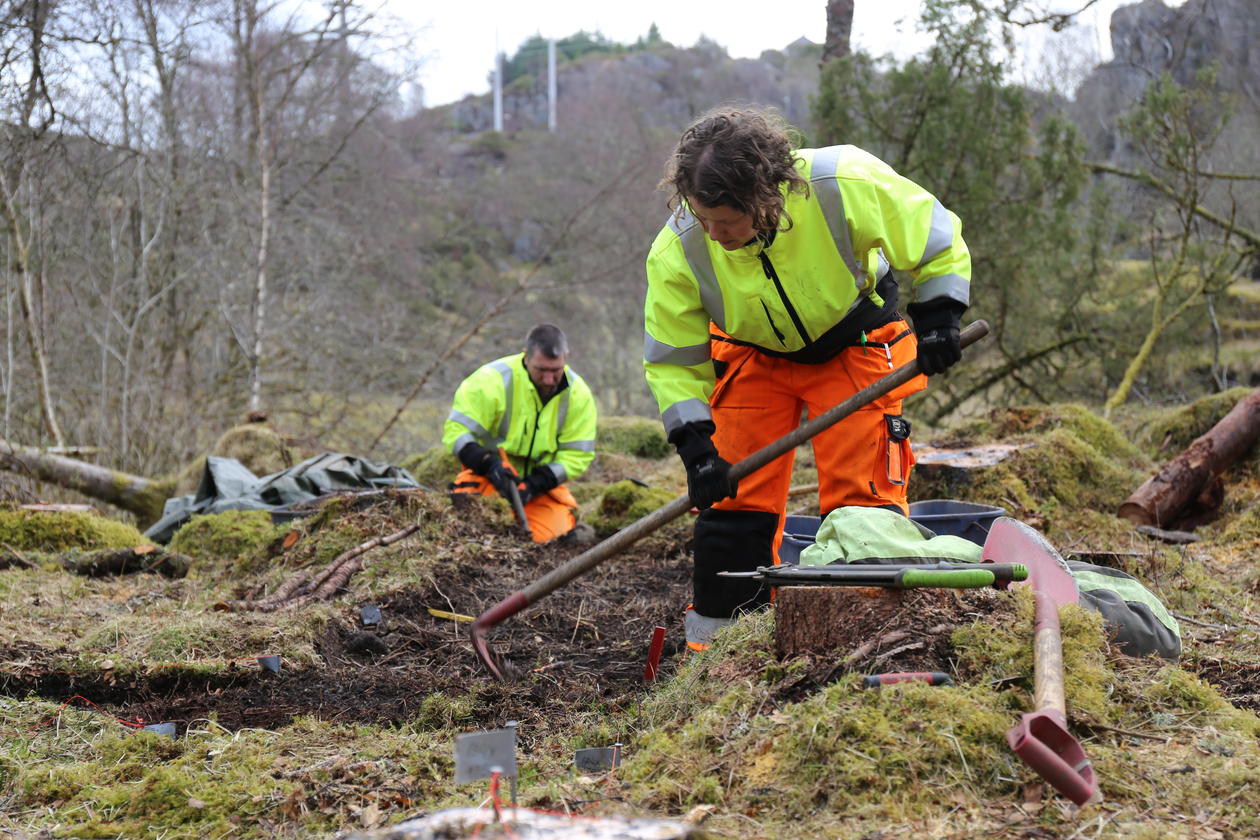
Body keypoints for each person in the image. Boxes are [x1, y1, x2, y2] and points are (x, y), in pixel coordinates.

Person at [642, 107, 972, 650]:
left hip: (854, 343)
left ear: (764, 196)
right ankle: (719, 656)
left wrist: (939, 315)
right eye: (703, 218)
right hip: (753, 358)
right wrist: (696, 446)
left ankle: (867, 642)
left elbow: (935, 239)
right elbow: (675, 360)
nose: (714, 233)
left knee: (861, 508)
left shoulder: (843, 182)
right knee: (731, 512)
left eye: (726, 221)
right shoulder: (680, 246)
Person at [444, 324, 597, 543]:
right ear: (525, 356)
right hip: (488, 477)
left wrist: (536, 483)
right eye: (541, 370)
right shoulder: (490, 380)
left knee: (549, 538)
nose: (548, 379)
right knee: (475, 527)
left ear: (566, 357)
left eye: (555, 371)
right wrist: (488, 464)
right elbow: (456, 431)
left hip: (539, 487)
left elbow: (577, 454)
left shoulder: (578, 394)